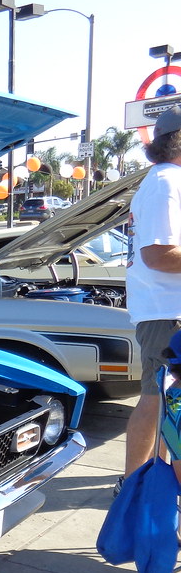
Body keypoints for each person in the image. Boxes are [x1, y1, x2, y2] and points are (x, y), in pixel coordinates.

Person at [121, 104, 181, 492]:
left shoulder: (163, 180)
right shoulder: (168, 182)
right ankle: (135, 487)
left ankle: (148, 483)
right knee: (157, 399)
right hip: (167, 313)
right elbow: (158, 254)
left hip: (164, 310)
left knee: (165, 403)